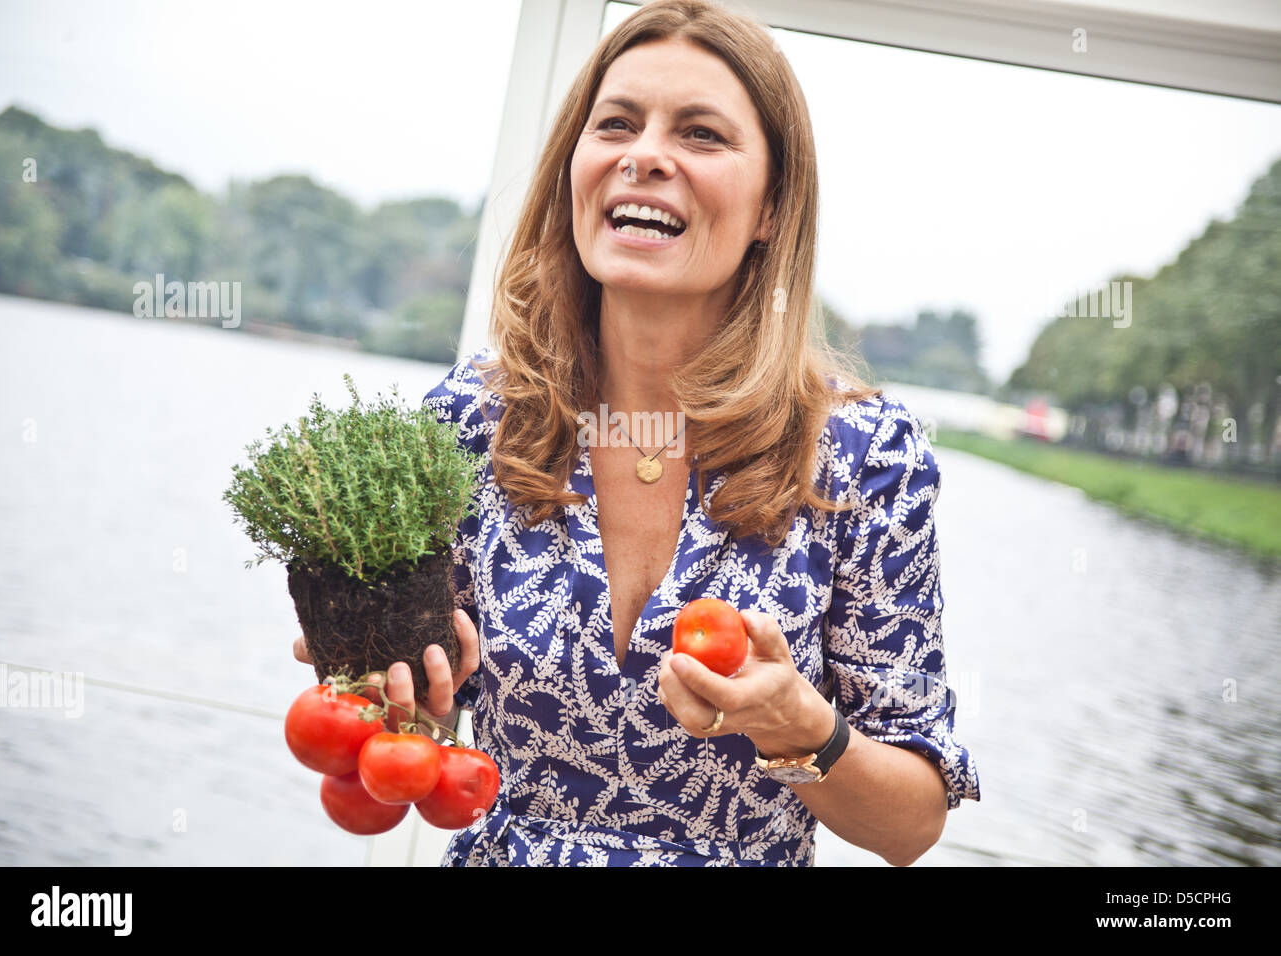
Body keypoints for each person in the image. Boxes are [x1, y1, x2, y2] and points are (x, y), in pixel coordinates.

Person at [298, 0, 980, 866]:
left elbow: (912, 824)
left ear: (773, 206)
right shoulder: (470, 420)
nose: (645, 154)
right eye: (615, 123)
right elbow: (422, 752)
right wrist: (397, 692)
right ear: (574, 170)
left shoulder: (864, 456)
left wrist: (800, 727)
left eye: (700, 134)